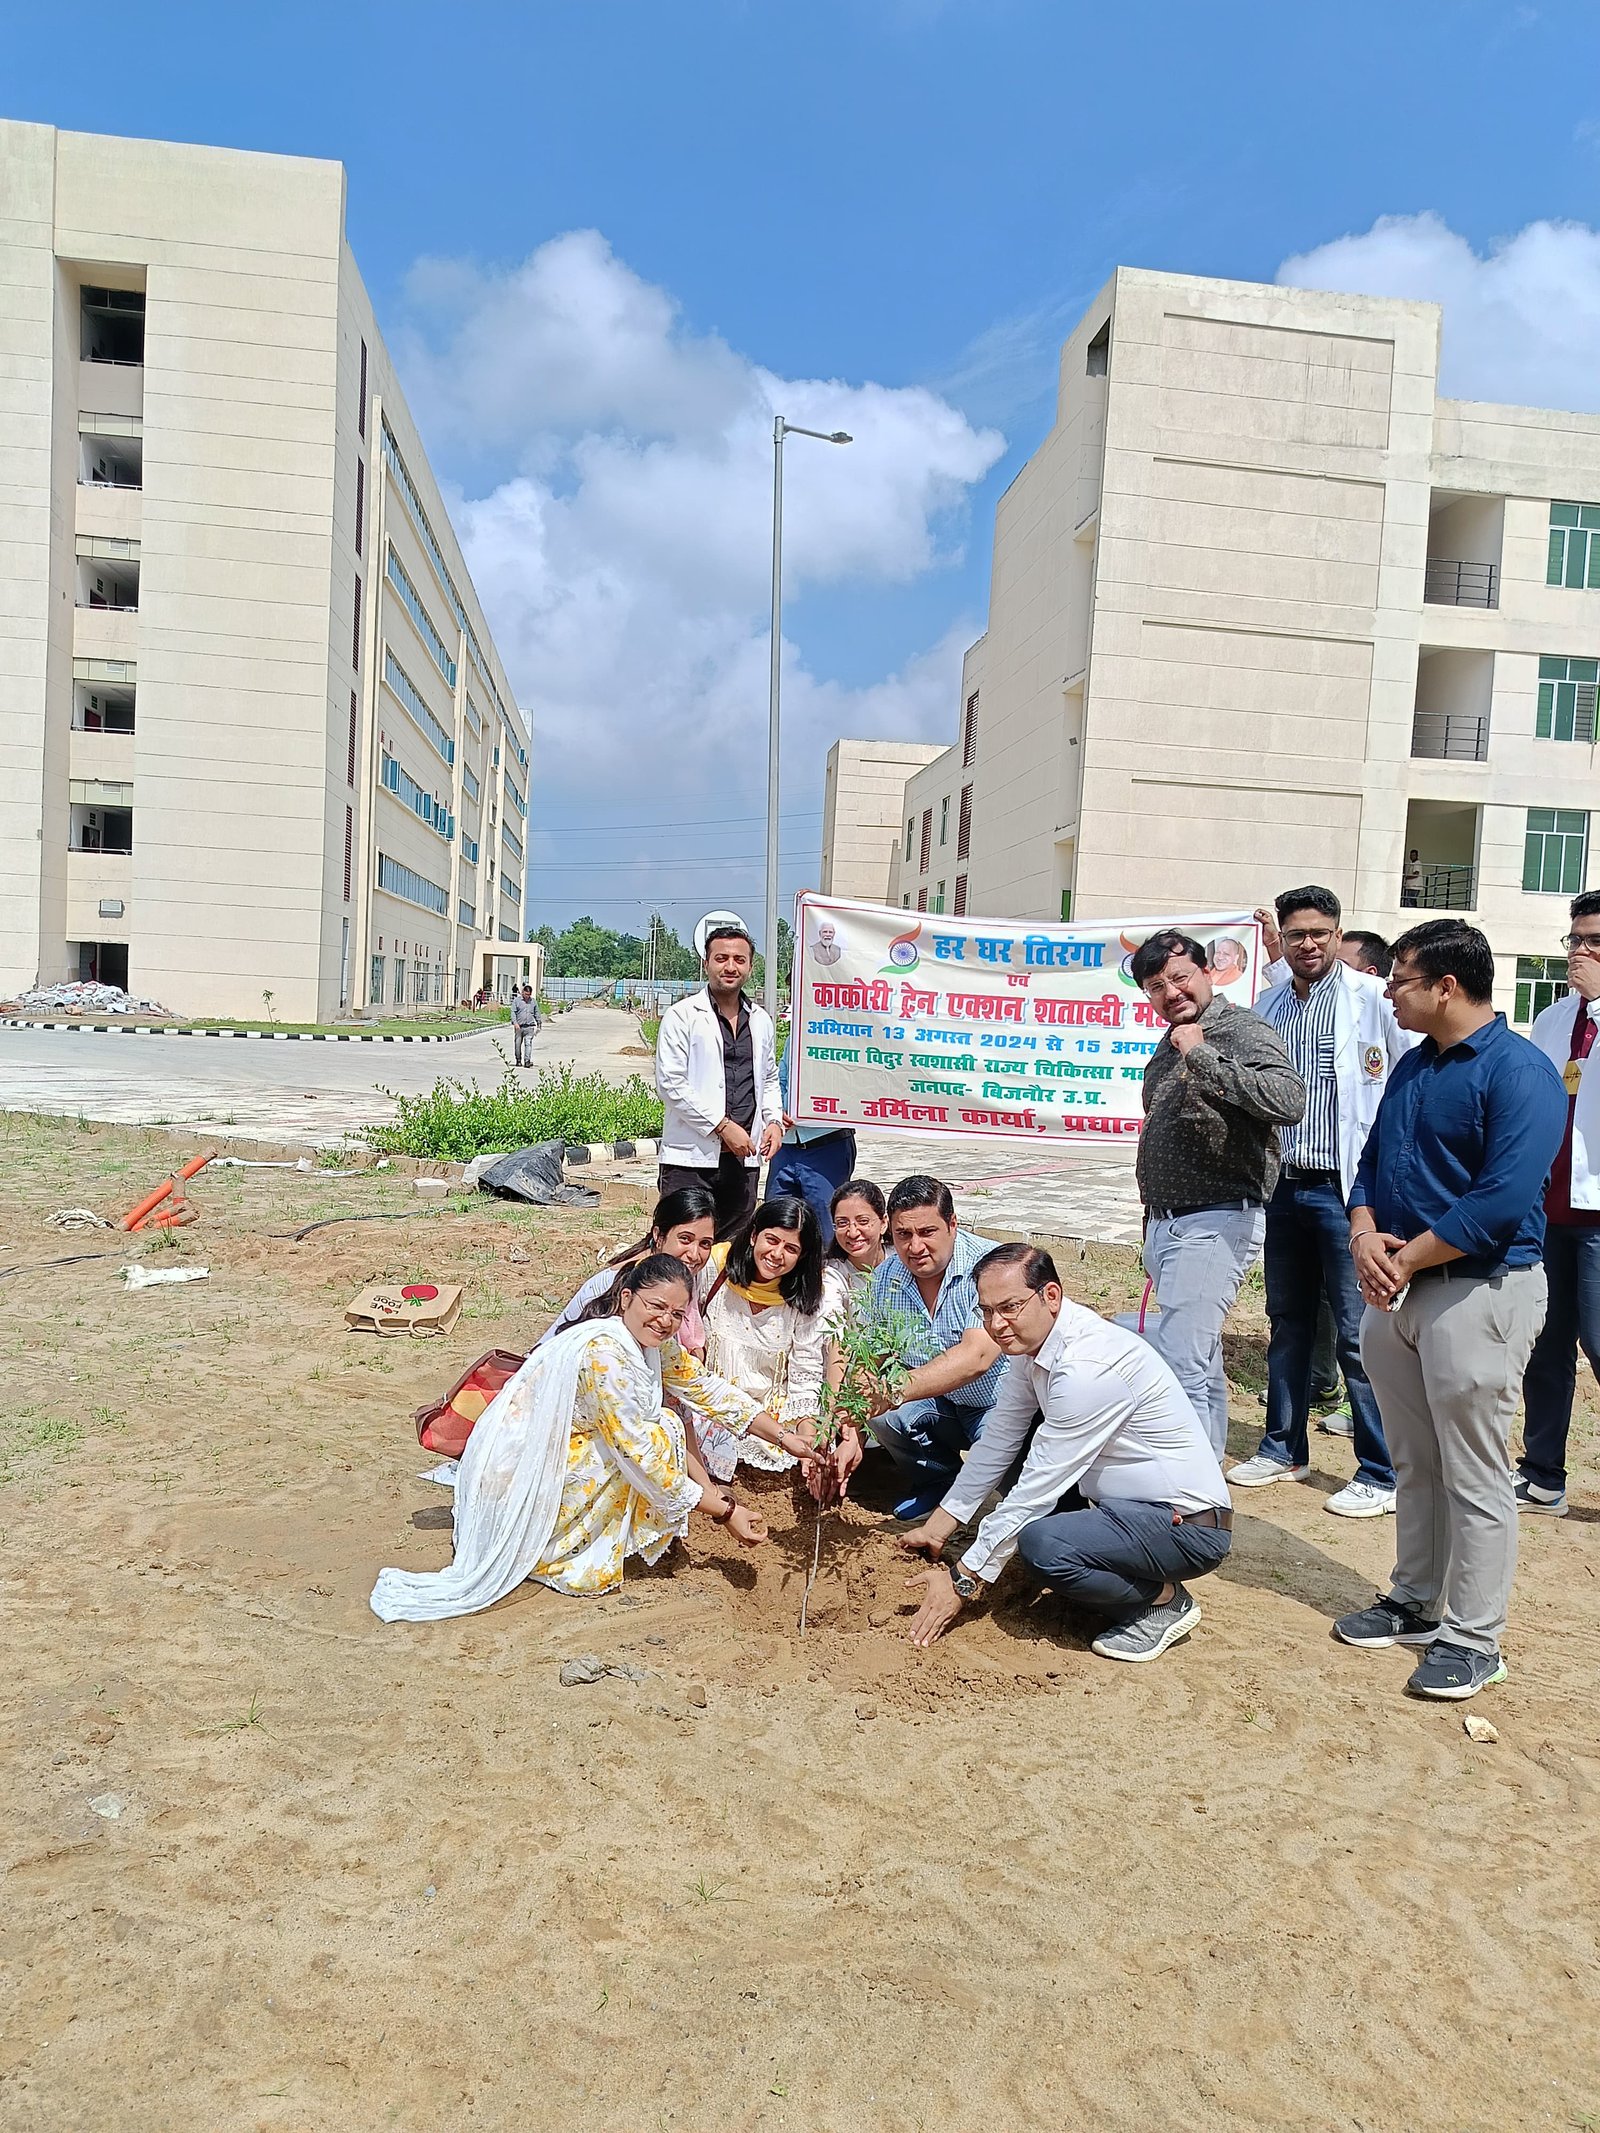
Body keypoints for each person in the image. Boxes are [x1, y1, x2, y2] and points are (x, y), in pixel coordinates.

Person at [1337, 920, 1565, 1701]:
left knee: (1473, 1470)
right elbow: (1369, 1163)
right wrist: (1365, 1234)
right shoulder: (1412, 1066)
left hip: (1481, 1288)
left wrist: (1402, 1257)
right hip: (1399, 1287)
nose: (1388, 991)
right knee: (1413, 1457)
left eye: (1399, 978)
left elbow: (1500, 1202)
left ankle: (1473, 1636)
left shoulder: (1520, 1073)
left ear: (1446, 986)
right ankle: (1414, 1598)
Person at [370, 1255, 816, 1621]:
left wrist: (782, 1437)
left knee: (663, 1426)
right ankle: (560, 1551)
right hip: (533, 1466)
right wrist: (726, 1510)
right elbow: (639, 1454)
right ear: (627, 1298)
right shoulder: (606, 1355)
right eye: (656, 1306)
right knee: (660, 1434)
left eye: (677, 1314)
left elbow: (703, 1386)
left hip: (563, 1450)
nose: (665, 1321)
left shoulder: (651, 1343)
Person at [897, 1244, 1233, 1664]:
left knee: (1043, 1544)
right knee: (1018, 1450)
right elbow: (999, 1441)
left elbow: (1038, 1488)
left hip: (1187, 1526)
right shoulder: (1033, 1345)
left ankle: (1161, 1601)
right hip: (1124, 1507)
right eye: (986, 1312)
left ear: (1051, 1296)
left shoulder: (1087, 1368)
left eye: (1010, 1307)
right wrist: (938, 1529)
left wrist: (963, 1579)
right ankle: (1112, 1567)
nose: (996, 1324)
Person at [1229, 886, 1407, 1517]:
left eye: (1321, 933)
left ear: (1338, 935)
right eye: (1297, 934)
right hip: (1285, 1186)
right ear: (1283, 935)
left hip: (1345, 1191)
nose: (1309, 944)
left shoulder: (1370, 1002)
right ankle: (1283, 1447)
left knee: (1360, 1335)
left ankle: (1381, 1470)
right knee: (1288, 1320)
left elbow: (1401, 1085)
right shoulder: (1269, 1005)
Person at [1131, 930, 1306, 1456]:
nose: (1171, 992)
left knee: (1180, 1360)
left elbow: (1287, 1099)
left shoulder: (1240, 1030)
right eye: (1156, 986)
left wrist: (1204, 1057)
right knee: (1198, 1361)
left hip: (1217, 1219)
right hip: (1170, 1223)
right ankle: (1204, 1477)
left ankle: (1183, 1489)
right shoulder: (1172, 1042)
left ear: (1208, 973)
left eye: (1180, 978)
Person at [1518, 890, 1600, 1517]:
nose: (1578, 953)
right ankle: (1543, 1473)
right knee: (1546, 1346)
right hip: (1551, 1215)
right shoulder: (1551, 1019)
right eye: (1574, 939)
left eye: (1593, 942)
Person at [862, 1175, 1007, 1521]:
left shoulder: (990, 1267)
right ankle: (938, 1481)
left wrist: (893, 1390)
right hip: (936, 1401)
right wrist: (851, 1419)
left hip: (996, 1403)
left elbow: (977, 1357)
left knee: (1006, 1473)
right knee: (884, 1417)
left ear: (952, 1225)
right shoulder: (886, 1276)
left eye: (927, 1232)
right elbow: (869, 1355)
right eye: (903, 1235)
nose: (915, 1247)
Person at [655, 919, 783, 1236]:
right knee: (681, 1245)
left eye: (739, 959)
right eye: (721, 958)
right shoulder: (682, 1015)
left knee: (729, 1252)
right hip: (690, 1161)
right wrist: (723, 1127)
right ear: (706, 963)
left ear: (750, 966)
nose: (730, 967)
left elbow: (768, 1079)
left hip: (742, 1163)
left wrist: (774, 1121)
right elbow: (671, 1083)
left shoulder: (762, 1021)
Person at [697, 1195, 829, 1479]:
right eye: (772, 1240)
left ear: (802, 1256)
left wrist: (808, 1438)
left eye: (791, 1248)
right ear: (754, 1234)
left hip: (771, 1420)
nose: (777, 1254)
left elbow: (805, 1376)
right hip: (711, 1405)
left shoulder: (805, 1301)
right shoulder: (714, 1268)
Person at [540, 1184, 718, 1349]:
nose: (694, 1255)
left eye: (705, 1244)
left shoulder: (685, 1275)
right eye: (685, 1239)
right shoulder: (619, 1282)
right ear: (658, 1235)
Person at [765, 1043, 857, 1244]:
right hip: (786, 1146)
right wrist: (776, 1110)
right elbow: (781, 1078)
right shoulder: (797, 1032)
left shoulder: (851, 1033)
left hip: (827, 1144)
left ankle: (826, 1274)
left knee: (826, 1230)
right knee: (775, 1222)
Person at [511, 982, 541, 1066]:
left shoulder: (533, 1002)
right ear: (523, 992)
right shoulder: (517, 1001)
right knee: (517, 1044)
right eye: (526, 994)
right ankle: (518, 1060)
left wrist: (539, 1024)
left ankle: (527, 1061)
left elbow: (537, 1013)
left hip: (529, 1027)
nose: (527, 996)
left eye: (529, 994)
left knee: (528, 1043)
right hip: (519, 1027)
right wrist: (515, 1023)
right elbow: (513, 1012)